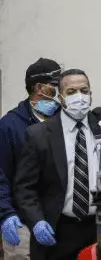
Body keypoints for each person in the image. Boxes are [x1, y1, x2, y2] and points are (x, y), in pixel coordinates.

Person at [12, 69, 101, 260]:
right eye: (71, 92)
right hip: (59, 233)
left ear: (91, 94)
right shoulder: (39, 135)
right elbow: (24, 188)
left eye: (84, 90)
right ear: (61, 98)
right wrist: (37, 221)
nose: (79, 97)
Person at [0, 58, 62, 260]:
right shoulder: (9, 127)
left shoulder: (63, 120)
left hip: (58, 220)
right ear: (39, 88)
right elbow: (1, 175)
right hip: (22, 222)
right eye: (54, 86)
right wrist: (6, 214)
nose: (59, 91)